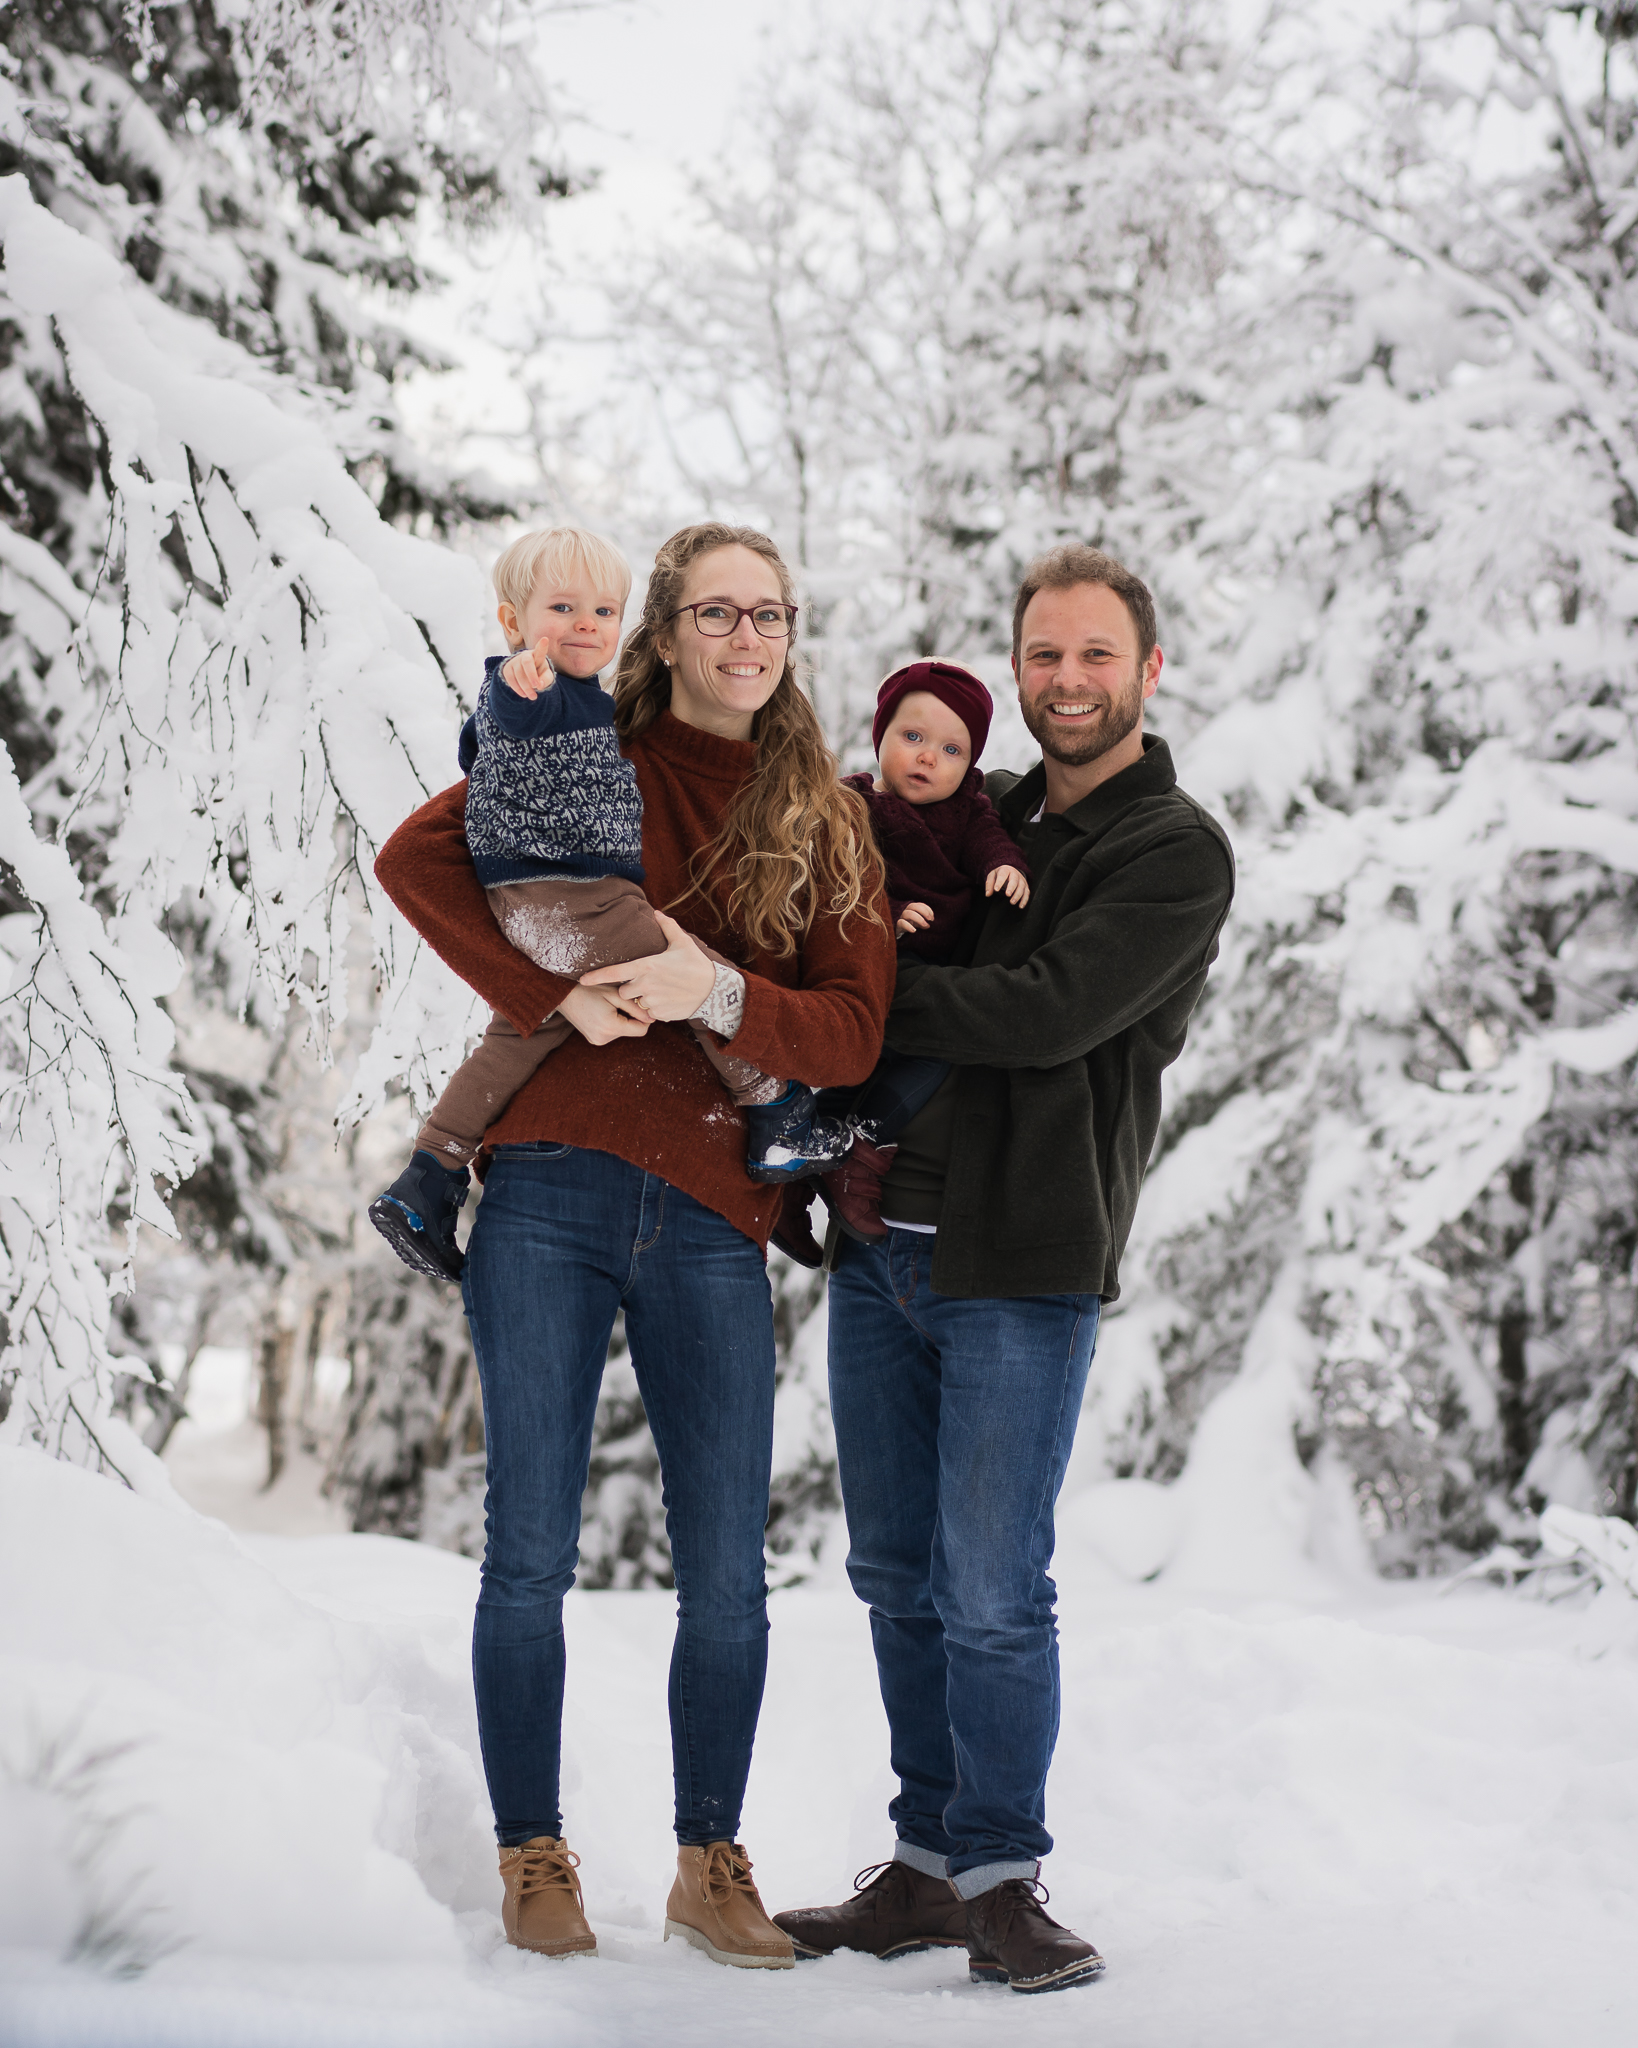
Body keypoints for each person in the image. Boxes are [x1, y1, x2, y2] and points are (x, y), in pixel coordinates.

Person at [373, 522, 894, 1967]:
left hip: (717, 1220)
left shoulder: (825, 819)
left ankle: (705, 1860)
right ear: (663, 631)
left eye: (771, 614)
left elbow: (849, 1026)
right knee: (526, 1548)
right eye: (716, 612)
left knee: (725, 1564)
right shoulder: (586, 752)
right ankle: (531, 1855)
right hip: (548, 1187)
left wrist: (715, 991)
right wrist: (546, 999)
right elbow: (417, 861)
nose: (746, 637)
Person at [774, 545, 1235, 1995]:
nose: (1067, 681)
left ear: (1146, 671)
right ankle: (922, 1870)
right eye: (1043, 656)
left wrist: (856, 997)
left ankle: (1002, 1878)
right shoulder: (972, 807)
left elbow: (1044, 1014)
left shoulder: (1172, 852)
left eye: (1096, 656)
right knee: (892, 1573)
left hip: (1017, 1264)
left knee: (988, 1586)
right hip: (877, 1250)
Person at [369, 526, 848, 1284]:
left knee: (515, 1038)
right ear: (513, 621)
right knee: (687, 963)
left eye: (602, 610)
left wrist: (550, 994)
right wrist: (521, 691)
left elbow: (484, 748)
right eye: (563, 607)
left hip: (542, 910)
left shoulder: (584, 708)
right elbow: (482, 753)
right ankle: (774, 1106)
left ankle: (429, 1177)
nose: (586, 624)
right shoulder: (537, 690)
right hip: (575, 898)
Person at [813, 660, 1032, 1242]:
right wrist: (881, 918)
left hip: (939, 968)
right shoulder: (850, 808)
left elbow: (990, 839)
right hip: (875, 959)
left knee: (935, 1050)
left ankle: (856, 1140)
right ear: (879, 734)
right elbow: (830, 888)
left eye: (952, 750)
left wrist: (1005, 865)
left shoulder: (968, 810)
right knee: (857, 1052)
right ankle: (828, 1143)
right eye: (912, 738)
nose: (929, 758)